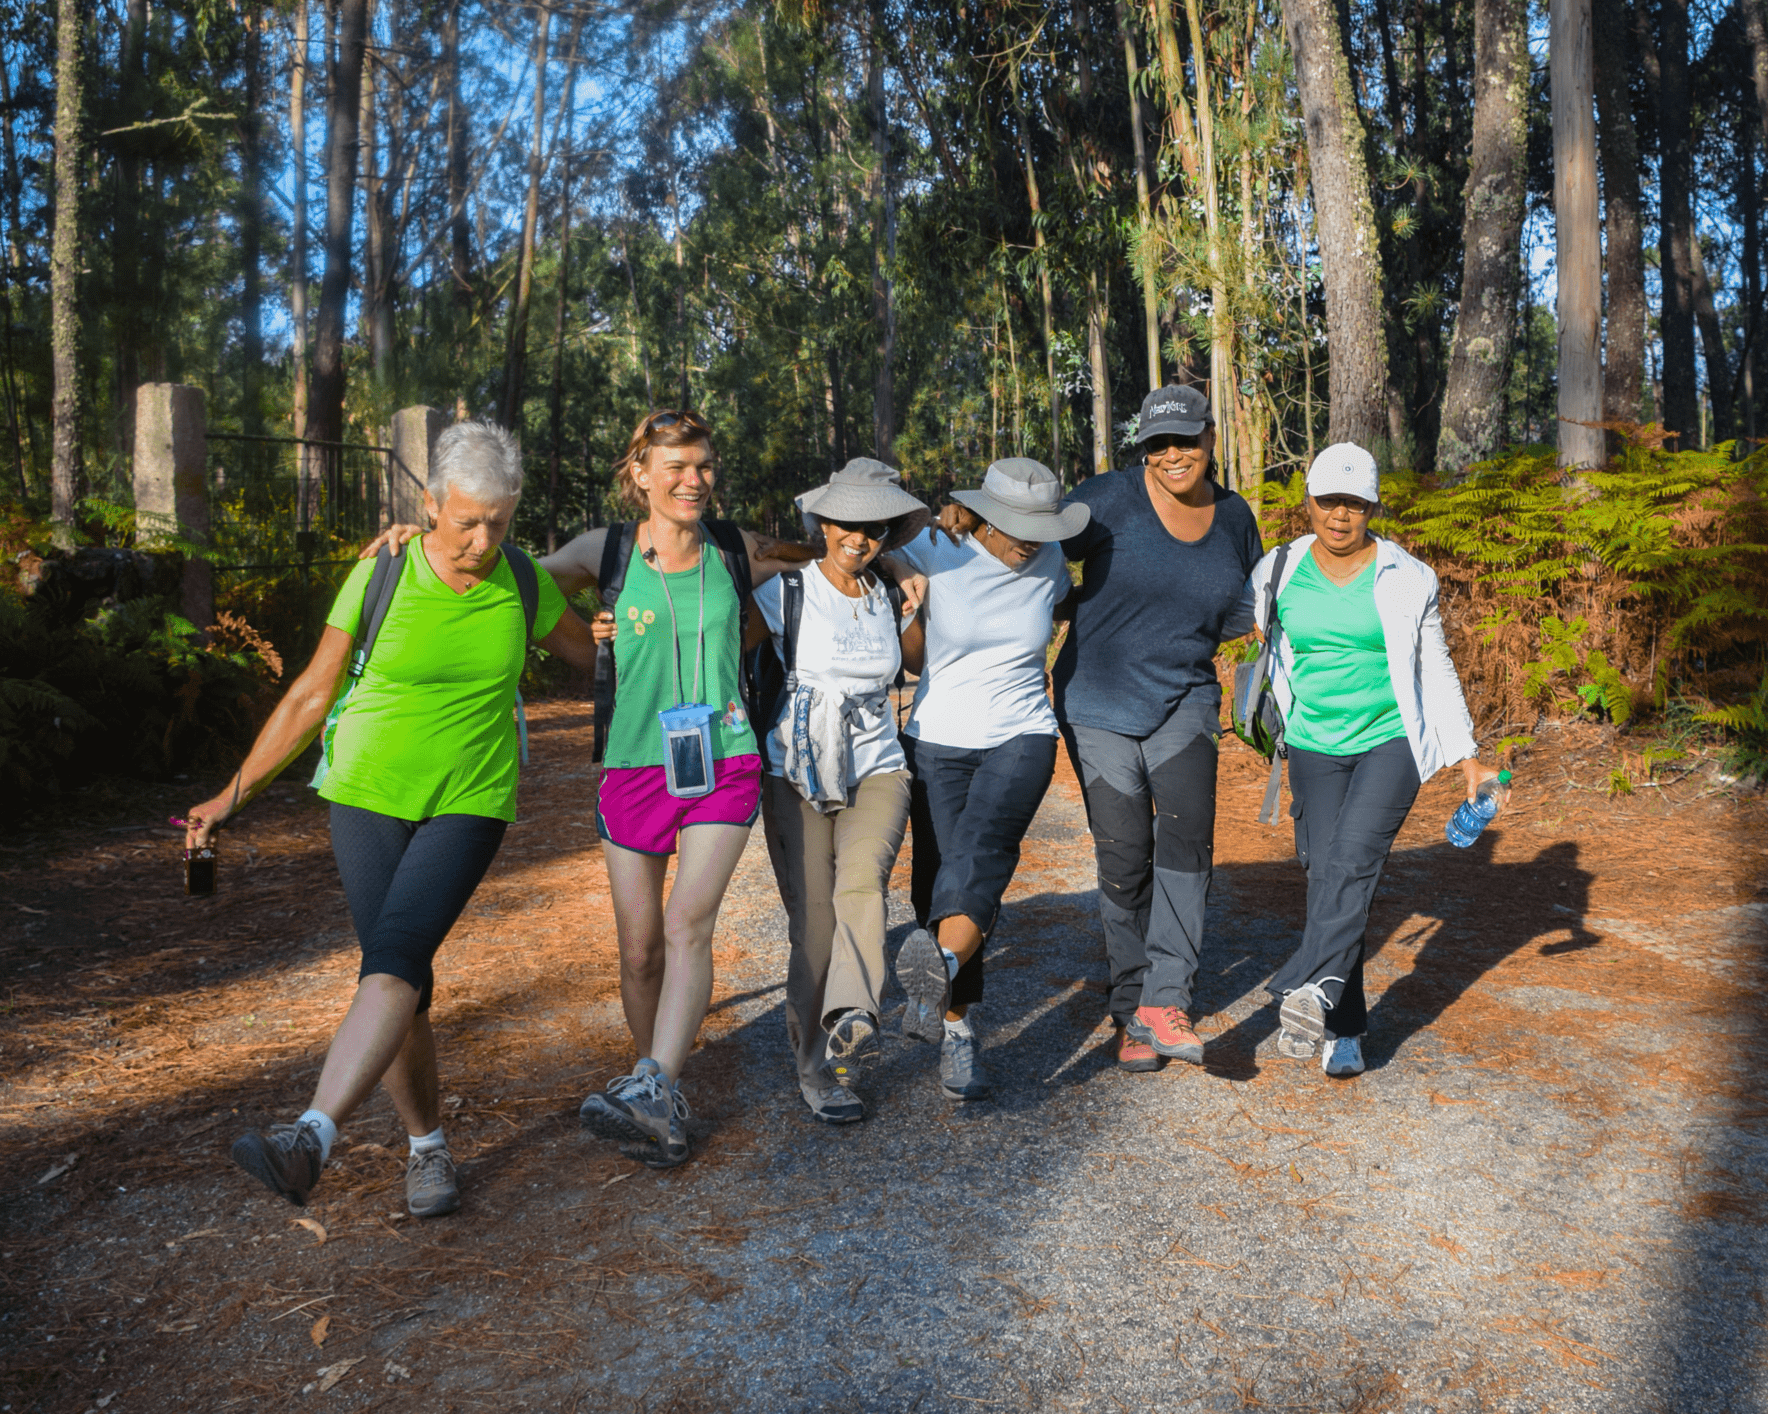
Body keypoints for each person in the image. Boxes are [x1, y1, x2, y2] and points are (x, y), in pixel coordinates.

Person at [187, 421, 599, 1217]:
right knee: (399, 974)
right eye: (465, 520)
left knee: (400, 953)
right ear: (430, 502)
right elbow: (312, 691)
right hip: (365, 792)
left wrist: (655, 629)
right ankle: (427, 1147)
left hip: (470, 797)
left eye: (500, 522)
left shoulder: (520, 579)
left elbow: (595, 657)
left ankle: (312, 1137)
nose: (482, 540)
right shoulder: (381, 568)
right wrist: (231, 793)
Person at [535, 410, 807, 1167]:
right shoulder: (607, 552)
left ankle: (653, 1083)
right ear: (641, 476)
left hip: (724, 758)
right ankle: (655, 1091)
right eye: (678, 467)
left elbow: (820, 557)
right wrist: (575, 641)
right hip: (632, 763)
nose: (695, 480)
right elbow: (516, 581)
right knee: (640, 948)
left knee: (689, 921)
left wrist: (907, 554)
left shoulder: (732, 549)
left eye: (705, 465)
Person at [1247, 443, 1499, 1077]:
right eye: (1329, 501)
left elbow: (1434, 667)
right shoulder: (1275, 571)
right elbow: (1254, 638)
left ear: (1372, 507)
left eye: (1355, 504)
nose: (1340, 516)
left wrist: (1466, 754)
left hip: (1389, 740)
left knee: (1354, 859)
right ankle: (1346, 1025)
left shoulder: (1408, 576)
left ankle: (1305, 990)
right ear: (1308, 502)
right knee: (1326, 874)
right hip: (1311, 742)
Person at [1047, 384, 1261, 1072]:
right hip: (1097, 704)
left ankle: (1167, 998)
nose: (1173, 455)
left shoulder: (1234, 517)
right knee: (1124, 856)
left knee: (1187, 840)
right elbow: (1035, 548)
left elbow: (1244, 607)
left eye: (1185, 440)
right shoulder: (1105, 499)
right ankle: (1130, 1010)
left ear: (1210, 440)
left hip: (1186, 701)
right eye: (1158, 444)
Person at [890, 458, 1088, 1102]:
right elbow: (863, 548)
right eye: (1014, 525)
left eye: (1041, 525)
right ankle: (952, 1020)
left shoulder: (1051, 562)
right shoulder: (935, 547)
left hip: (1021, 731)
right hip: (937, 738)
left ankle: (941, 977)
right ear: (982, 514)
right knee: (939, 878)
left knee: (983, 855)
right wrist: (906, 588)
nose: (1029, 538)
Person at [748, 458, 928, 1124]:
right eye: (846, 523)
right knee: (815, 929)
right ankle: (810, 1065)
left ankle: (852, 1014)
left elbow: (914, 662)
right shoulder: (784, 592)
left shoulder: (888, 591)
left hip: (877, 763)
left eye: (873, 527)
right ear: (824, 523)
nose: (859, 537)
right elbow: (715, 637)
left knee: (863, 883)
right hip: (795, 768)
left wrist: (911, 593)